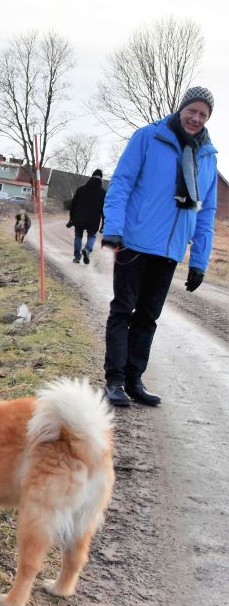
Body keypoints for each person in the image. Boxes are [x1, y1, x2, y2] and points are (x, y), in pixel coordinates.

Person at [101, 86, 218, 407]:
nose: (196, 118)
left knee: (148, 317)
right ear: (181, 109)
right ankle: (114, 380)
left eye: (203, 114)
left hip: (170, 251)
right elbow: (121, 183)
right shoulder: (148, 137)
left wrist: (199, 261)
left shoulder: (208, 156)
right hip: (134, 243)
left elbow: (206, 212)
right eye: (191, 110)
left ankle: (134, 379)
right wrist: (113, 228)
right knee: (123, 310)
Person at [67, 168, 105, 264]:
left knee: (78, 236)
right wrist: (104, 224)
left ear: (92, 176)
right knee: (92, 236)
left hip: (79, 218)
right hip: (94, 220)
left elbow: (73, 205)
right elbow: (105, 210)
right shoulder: (103, 192)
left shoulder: (81, 189)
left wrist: (71, 218)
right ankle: (87, 249)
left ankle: (77, 258)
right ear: (101, 179)